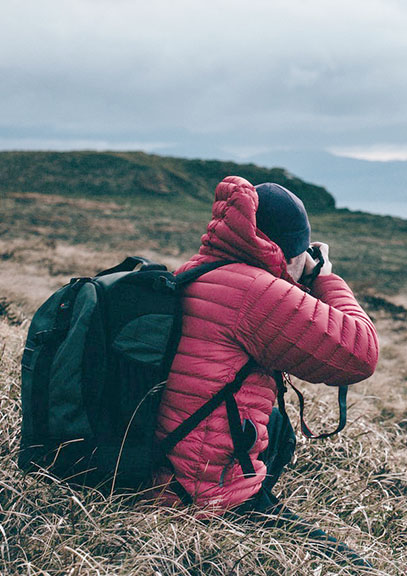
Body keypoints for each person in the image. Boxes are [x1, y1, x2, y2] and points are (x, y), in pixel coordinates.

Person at [152, 176, 379, 515]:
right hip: (199, 496)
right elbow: (360, 353)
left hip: (155, 470)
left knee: (276, 426)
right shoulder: (256, 292)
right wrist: (324, 279)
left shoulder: (199, 270)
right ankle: (245, 508)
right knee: (348, 563)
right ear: (290, 253)